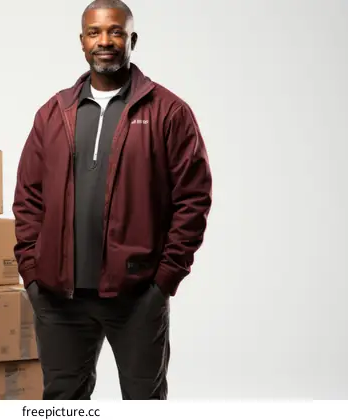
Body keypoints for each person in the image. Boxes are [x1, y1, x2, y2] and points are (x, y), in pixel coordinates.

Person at [12, 0, 212, 400]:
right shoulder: (54, 113)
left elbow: (193, 199)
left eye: (115, 31)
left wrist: (163, 282)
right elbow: (28, 198)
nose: (105, 41)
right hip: (59, 298)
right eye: (95, 32)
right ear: (82, 41)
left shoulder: (168, 113)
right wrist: (32, 274)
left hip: (137, 297)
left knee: (144, 402)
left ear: (132, 39)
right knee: (62, 403)